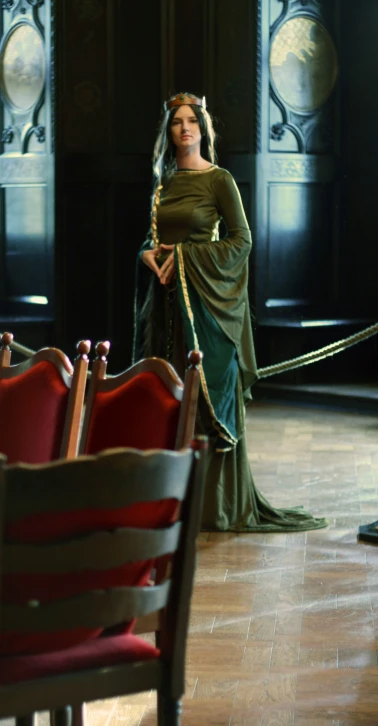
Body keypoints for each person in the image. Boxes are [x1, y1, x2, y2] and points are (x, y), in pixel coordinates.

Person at [133, 92, 326, 532]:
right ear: (168, 132)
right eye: (177, 122)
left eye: (192, 122)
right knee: (169, 398)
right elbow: (152, 238)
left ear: (203, 130)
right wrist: (147, 255)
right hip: (167, 311)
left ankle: (214, 506)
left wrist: (183, 257)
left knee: (205, 399)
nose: (184, 128)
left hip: (208, 309)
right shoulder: (163, 186)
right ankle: (173, 503)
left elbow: (242, 242)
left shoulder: (220, 180)